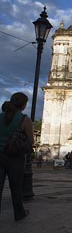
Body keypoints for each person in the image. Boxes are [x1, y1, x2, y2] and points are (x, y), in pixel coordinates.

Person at [0, 92, 33, 221]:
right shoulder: (24, 119)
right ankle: (19, 214)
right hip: (15, 157)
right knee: (16, 187)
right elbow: (31, 141)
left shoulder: (0, 117)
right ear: (23, 105)